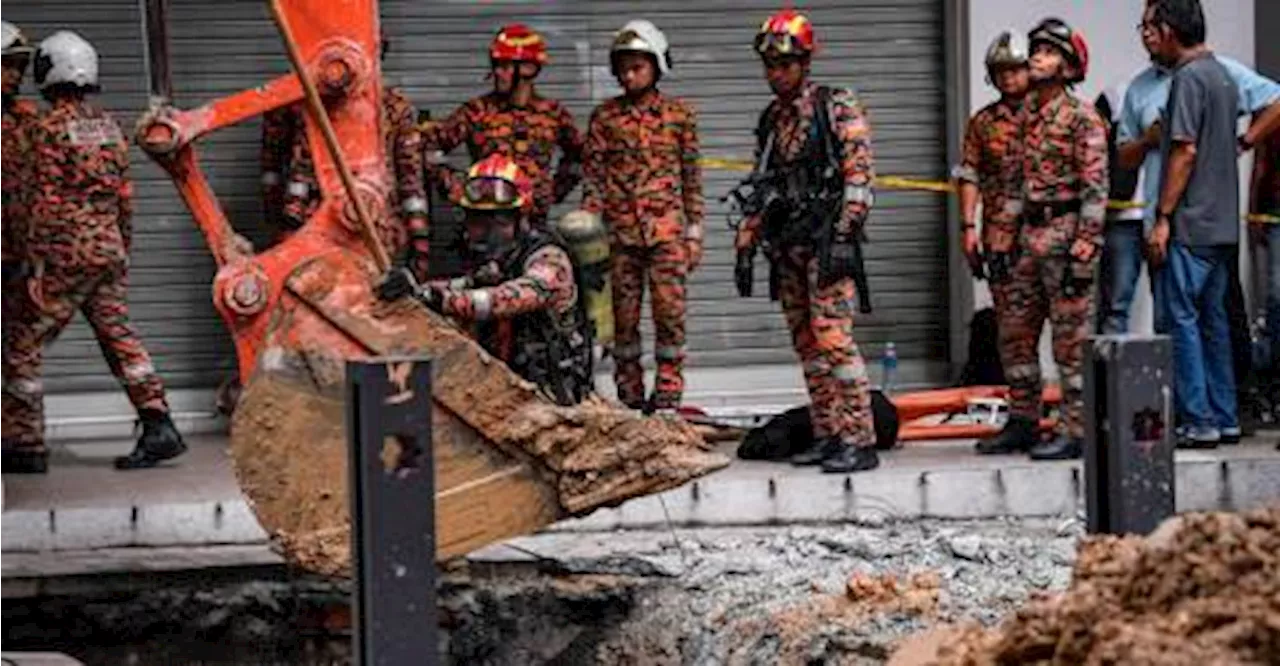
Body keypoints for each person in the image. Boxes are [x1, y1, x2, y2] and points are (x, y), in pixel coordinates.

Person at [0, 31, 186, 473]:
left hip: (63, 253)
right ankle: (159, 422)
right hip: (108, 251)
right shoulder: (109, 126)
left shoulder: (44, 128)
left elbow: (38, 200)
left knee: (21, 339)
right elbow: (125, 196)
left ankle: (22, 443)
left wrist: (32, 262)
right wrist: (121, 246)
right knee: (118, 335)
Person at [733, 9, 879, 474]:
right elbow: (762, 182)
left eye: (786, 64)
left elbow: (860, 174)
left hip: (826, 240)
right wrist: (747, 237)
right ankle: (828, 432)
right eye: (770, 65)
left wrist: (846, 232)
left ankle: (861, 438)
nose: (776, 74)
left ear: (805, 62)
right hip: (787, 244)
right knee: (807, 346)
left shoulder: (835, 105)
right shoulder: (770, 120)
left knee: (835, 340)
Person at [975, 18, 1109, 461]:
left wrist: (1086, 246)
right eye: (1035, 49)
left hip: (1067, 235)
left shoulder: (1081, 116)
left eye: (1049, 51)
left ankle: (1076, 429)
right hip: (1024, 238)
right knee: (1014, 335)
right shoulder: (1026, 115)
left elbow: (1096, 188)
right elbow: (1014, 182)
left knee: (1070, 342)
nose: (1036, 57)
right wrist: (998, 239)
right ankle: (1023, 421)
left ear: (1069, 66)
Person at [376, 154, 594, 407]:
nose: (487, 233)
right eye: (478, 222)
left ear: (519, 220)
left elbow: (508, 298)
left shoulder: (549, 260)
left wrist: (443, 300)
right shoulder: (499, 262)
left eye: (499, 222)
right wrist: (414, 288)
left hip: (550, 398)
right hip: (502, 389)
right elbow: (465, 285)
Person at [582, 20, 703, 413]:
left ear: (657, 65)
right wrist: (587, 228)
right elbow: (594, 180)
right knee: (624, 322)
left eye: (637, 66)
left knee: (670, 317)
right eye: (623, 67)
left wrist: (695, 232)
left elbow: (691, 177)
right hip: (620, 239)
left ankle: (668, 395)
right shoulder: (605, 118)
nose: (629, 75)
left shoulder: (679, 115)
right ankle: (631, 398)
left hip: (667, 235)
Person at [1143, 0, 1243, 449]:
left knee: (1179, 319)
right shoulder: (1222, 75)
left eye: (1149, 27)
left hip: (1190, 225)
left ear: (1167, 29)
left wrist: (1163, 216)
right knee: (1213, 323)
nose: (1147, 37)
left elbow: (1184, 151)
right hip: (1222, 225)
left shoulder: (1187, 79)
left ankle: (1197, 419)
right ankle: (1225, 417)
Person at [279, 35, 429, 279]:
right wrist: (289, 232)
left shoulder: (395, 107)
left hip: (377, 228)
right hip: (321, 227)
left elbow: (410, 177)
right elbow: (302, 170)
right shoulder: (319, 106)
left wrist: (419, 239)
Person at [423, 24, 583, 231]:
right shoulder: (477, 111)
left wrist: (554, 191)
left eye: (505, 66)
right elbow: (428, 150)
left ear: (528, 68)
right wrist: (459, 188)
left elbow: (579, 154)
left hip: (533, 225)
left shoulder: (552, 113)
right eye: (496, 65)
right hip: (484, 225)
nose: (498, 72)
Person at [953, 29, 1030, 396]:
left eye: (1015, 69)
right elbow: (969, 175)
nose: (1008, 78)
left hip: (1048, 237)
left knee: (1056, 324)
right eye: (1000, 71)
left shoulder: (1051, 115)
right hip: (1000, 239)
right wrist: (968, 227)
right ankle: (1017, 406)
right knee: (1009, 325)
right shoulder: (983, 122)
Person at [0, 21, 36, 367]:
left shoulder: (25, 120)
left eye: (19, 67)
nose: (15, 75)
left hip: (13, 258)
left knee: (14, 349)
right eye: (6, 65)